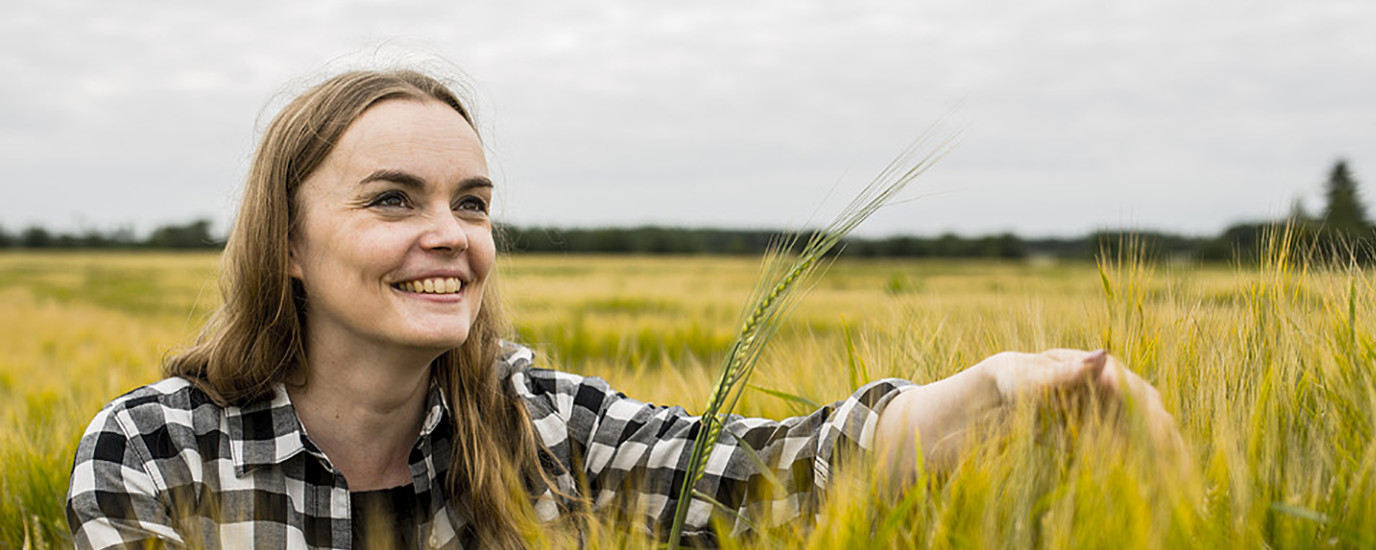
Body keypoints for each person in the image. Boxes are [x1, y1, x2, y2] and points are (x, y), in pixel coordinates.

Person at [66, 68, 1178, 549]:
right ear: (290, 242)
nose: (451, 233)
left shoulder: (544, 426)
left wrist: (993, 391)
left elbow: (774, 475)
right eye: (392, 199)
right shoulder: (155, 447)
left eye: (475, 201)